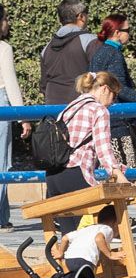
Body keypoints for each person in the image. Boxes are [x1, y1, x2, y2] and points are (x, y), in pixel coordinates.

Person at [45, 72, 131, 229]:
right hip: (76, 173)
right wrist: (118, 175)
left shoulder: (69, 108)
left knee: (70, 235)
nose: (113, 102)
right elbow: (103, 148)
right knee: (92, 232)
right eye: (114, 95)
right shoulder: (98, 110)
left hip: (54, 175)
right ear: (105, 89)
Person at [85, 14, 136, 169]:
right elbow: (119, 88)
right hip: (117, 124)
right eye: (127, 30)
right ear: (117, 33)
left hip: (101, 122)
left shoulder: (99, 53)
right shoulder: (114, 54)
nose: (129, 33)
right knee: (126, 171)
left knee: (107, 175)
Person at [39, 0, 97, 106]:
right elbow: (101, 76)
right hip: (82, 108)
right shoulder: (90, 41)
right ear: (81, 16)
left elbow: (43, 85)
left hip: (53, 109)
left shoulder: (46, 49)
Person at [52, 203, 132, 276]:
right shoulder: (107, 229)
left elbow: (65, 238)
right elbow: (99, 239)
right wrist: (110, 254)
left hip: (69, 260)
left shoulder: (88, 228)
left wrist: (60, 252)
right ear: (115, 223)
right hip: (84, 260)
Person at [0, 0, 23, 230]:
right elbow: (11, 84)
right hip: (1, 104)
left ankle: (3, 216)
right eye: (5, 18)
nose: (7, 23)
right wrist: (22, 116)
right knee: (1, 163)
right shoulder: (3, 48)